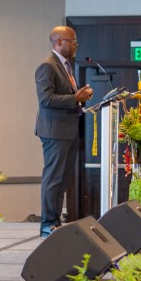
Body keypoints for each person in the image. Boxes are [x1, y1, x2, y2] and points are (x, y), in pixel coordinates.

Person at [35, 26, 93, 237]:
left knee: (63, 179)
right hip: (55, 131)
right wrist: (75, 98)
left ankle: (55, 222)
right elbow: (46, 99)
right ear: (59, 41)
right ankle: (47, 223)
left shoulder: (66, 66)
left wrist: (80, 97)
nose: (76, 45)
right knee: (54, 178)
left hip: (68, 131)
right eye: (72, 41)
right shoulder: (47, 66)